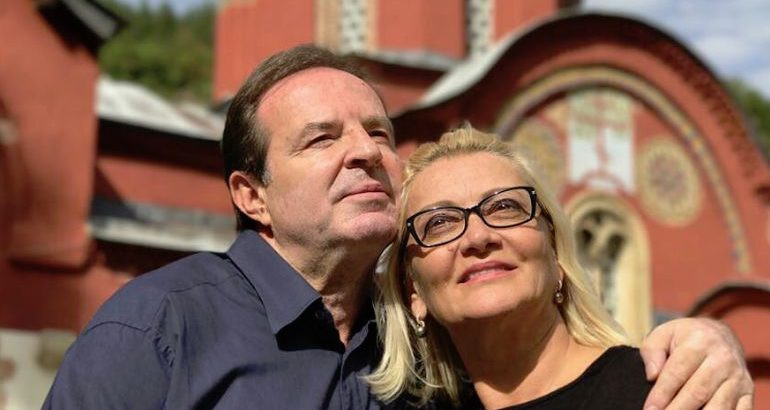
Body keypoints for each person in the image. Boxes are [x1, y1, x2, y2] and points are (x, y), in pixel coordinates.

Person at [43, 45, 752, 409]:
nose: (365, 152)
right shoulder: (160, 328)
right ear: (251, 195)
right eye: (322, 138)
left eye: (379, 133)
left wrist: (708, 341)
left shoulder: (421, 354)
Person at [369, 125, 659, 408]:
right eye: (440, 222)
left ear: (555, 254)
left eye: (505, 207)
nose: (478, 237)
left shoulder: (666, 392)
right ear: (414, 292)